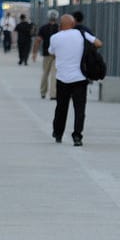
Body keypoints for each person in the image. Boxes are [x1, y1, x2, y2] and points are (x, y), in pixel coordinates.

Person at [48, 14, 101, 146]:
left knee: (61, 107)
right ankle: (77, 136)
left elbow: (51, 52)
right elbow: (99, 43)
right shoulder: (81, 34)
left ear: (61, 25)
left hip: (62, 78)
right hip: (80, 78)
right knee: (79, 109)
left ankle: (58, 133)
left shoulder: (55, 37)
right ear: (73, 24)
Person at [31, 10, 59, 98]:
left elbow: (38, 40)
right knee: (54, 74)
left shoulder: (43, 28)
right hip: (57, 54)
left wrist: (34, 53)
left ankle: (43, 92)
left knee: (45, 73)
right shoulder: (59, 28)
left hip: (46, 53)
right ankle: (53, 94)